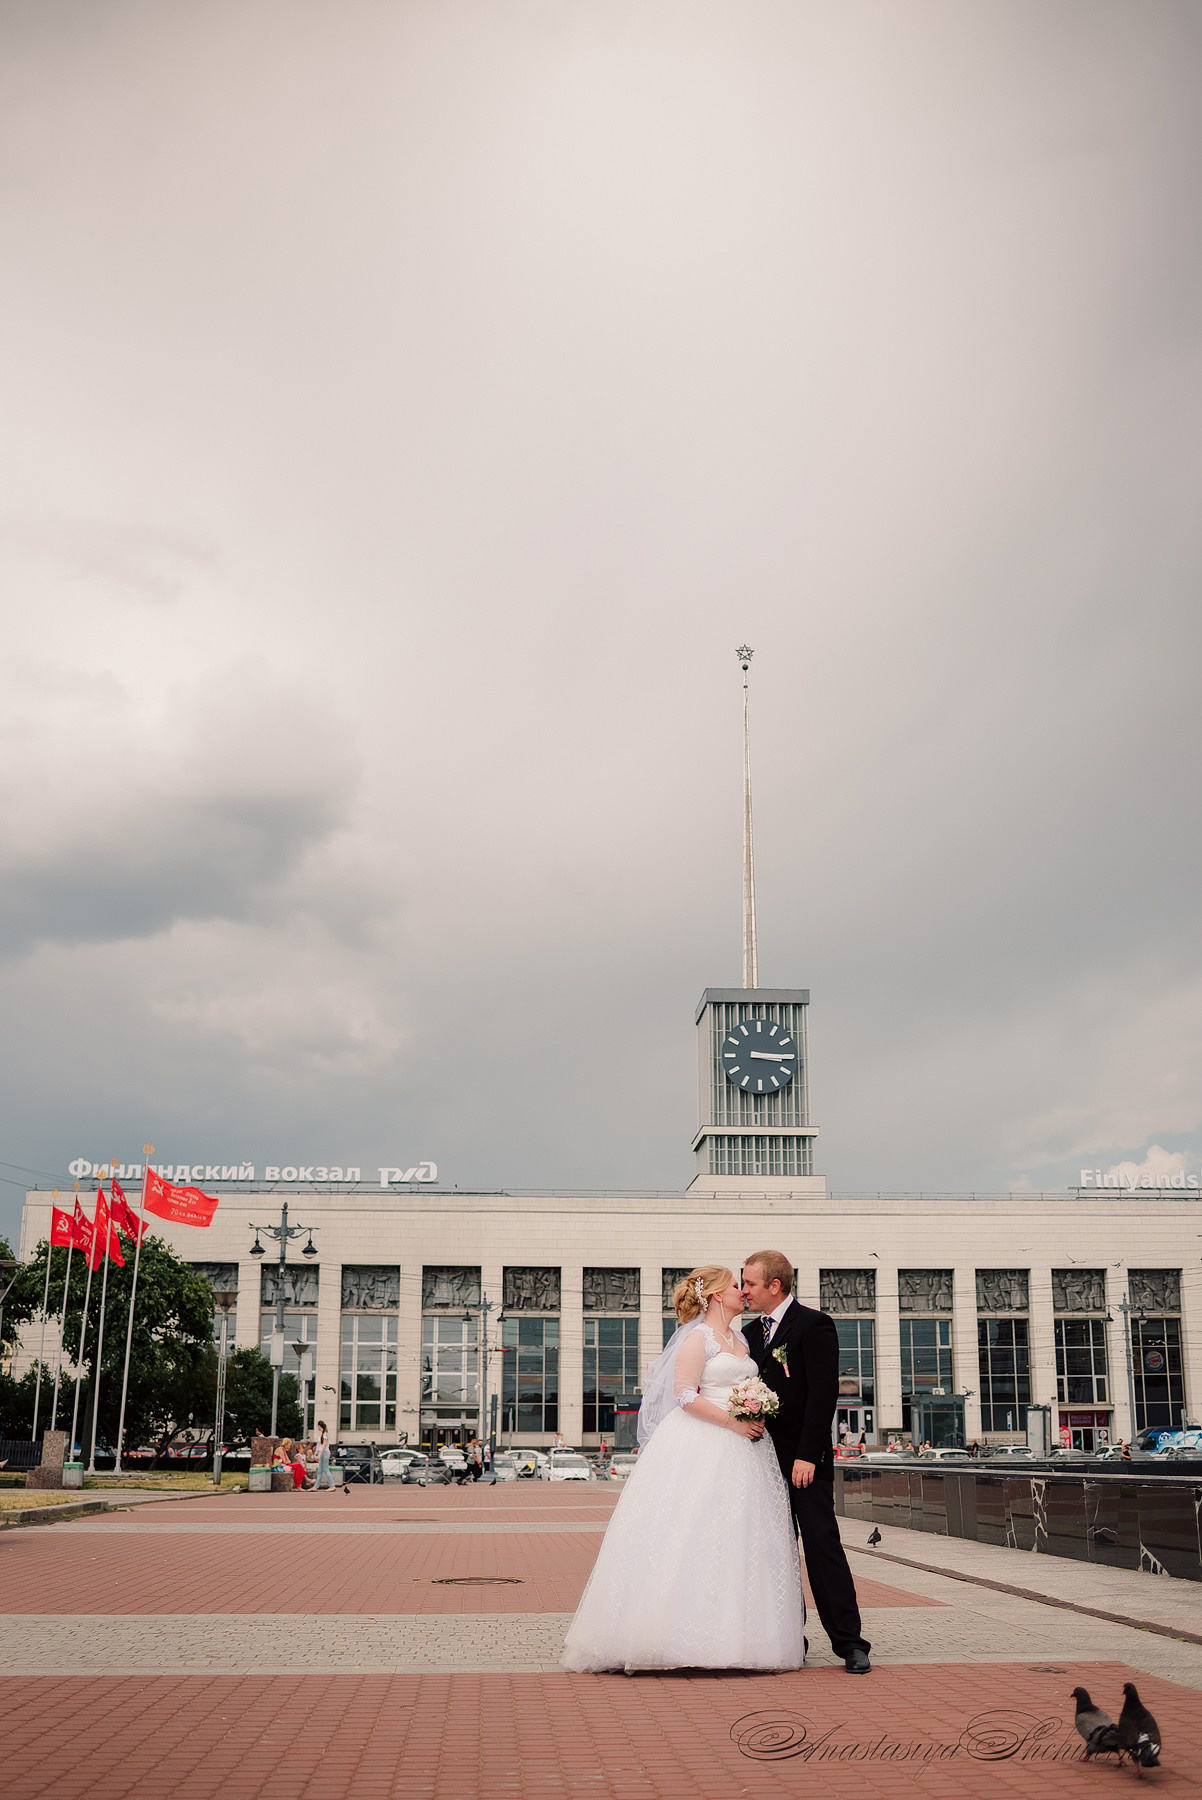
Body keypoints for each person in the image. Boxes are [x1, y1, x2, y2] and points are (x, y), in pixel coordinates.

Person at [562, 1264, 804, 1674]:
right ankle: (674, 1637)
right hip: (705, 1441)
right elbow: (685, 1394)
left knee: (739, 1539)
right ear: (713, 1295)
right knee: (691, 1531)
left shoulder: (742, 1340)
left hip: (747, 1452)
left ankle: (735, 1638)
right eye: (734, 1286)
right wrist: (733, 1421)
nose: (742, 1292)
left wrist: (756, 1407)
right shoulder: (699, 1339)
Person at [743, 1251, 872, 1675]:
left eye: (750, 1284)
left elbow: (823, 1396)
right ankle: (787, 1637)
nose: (744, 1291)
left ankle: (850, 1643)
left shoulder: (815, 1325)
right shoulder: (747, 1334)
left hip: (804, 1462)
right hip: (757, 1460)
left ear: (774, 1286)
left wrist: (807, 1455)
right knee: (775, 1552)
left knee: (821, 1545)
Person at [314, 1420, 332, 1489]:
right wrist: (317, 1453)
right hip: (322, 1453)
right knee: (320, 1471)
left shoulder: (325, 1434)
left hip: (324, 1453)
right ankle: (316, 1486)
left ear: (319, 1426)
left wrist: (319, 1454)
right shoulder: (322, 1434)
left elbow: (324, 1445)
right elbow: (319, 1445)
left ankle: (332, 1485)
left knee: (325, 1470)